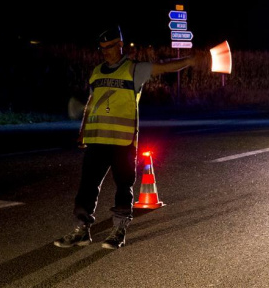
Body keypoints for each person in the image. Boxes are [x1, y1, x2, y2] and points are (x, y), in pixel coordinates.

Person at [54, 25, 196, 249]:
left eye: (110, 47)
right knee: (87, 186)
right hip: (97, 141)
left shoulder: (133, 69)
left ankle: (119, 230)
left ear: (120, 44)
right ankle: (82, 230)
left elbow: (163, 68)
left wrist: (188, 60)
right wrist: (83, 132)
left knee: (123, 186)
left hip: (123, 142)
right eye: (102, 48)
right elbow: (91, 104)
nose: (106, 52)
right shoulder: (97, 71)